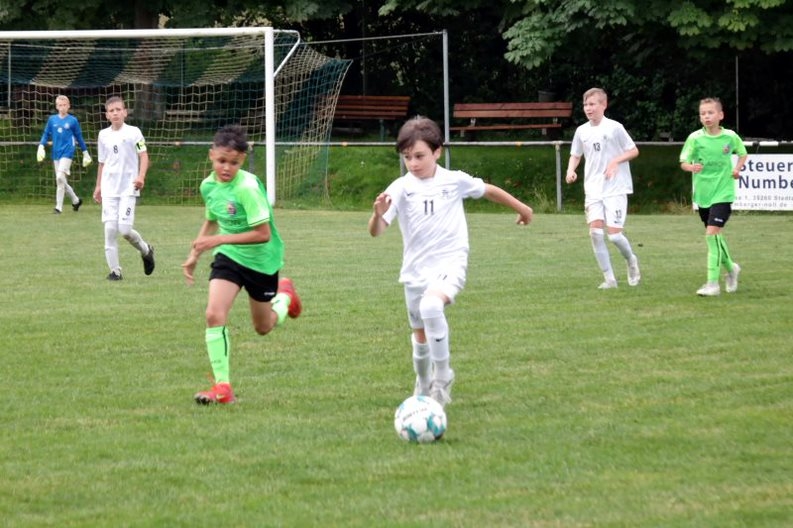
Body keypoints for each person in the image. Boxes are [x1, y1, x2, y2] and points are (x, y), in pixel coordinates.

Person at [368, 116, 533, 408]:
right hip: (415, 271)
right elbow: (377, 231)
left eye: (419, 156)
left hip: (450, 262)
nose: (413, 163)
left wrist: (523, 208)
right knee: (420, 336)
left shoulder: (453, 180)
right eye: (407, 157)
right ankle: (423, 382)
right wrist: (377, 214)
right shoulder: (400, 188)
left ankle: (443, 377)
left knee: (431, 306)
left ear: (437, 151)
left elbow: (488, 190)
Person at [182, 124, 302, 405]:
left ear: (242, 161)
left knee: (263, 327)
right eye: (222, 160)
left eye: (234, 163)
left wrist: (218, 239)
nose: (226, 168)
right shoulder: (208, 186)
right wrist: (195, 253)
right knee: (213, 314)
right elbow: (212, 219)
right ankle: (223, 388)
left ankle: (285, 297)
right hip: (229, 257)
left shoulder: (247, 188)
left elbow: (263, 234)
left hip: (262, 261)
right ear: (211, 155)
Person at [565, 87, 641, 289]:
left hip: (615, 188)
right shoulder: (582, 131)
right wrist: (571, 170)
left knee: (614, 235)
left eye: (592, 104)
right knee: (595, 234)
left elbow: (633, 151)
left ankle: (631, 260)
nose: (588, 108)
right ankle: (609, 279)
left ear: (603, 105)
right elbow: (576, 154)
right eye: (585, 105)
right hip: (593, 189)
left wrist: (616, 161)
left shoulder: (615, 128)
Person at [679, 97, 747, 297]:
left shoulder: (730, 137)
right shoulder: (695, 138)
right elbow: (683, 161)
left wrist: (737, 169)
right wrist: (691, 167)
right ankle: (732, 268)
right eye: (703, 113)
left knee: (711, 235)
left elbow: (742, 154)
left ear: (720, 115)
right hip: (703, 194)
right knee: (715, 237)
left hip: (723, 193)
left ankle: (712, 284)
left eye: (710, 112)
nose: (706, 116)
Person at [92, 96, 155, 281]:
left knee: (125, 231)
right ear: (107, 115)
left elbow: (143, 155)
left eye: (118, 109)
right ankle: (115, 271)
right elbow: (102, 163)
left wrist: (141, 176)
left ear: (125, 112)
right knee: (110, 230)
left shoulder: (134, 132)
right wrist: (98, 186)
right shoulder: (103, 135)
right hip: (109, 189)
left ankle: (146, 250)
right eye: (111, 111)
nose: (115, 113)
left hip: (128, 187)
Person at [37, 95, 92, 214]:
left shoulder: (73, 120)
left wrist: (85, 152)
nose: (62, 107)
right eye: (60, 105)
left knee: (59, 177)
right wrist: (41, 146)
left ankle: (58, 208)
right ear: (57, 106)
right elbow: (46, 134)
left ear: (68, 106)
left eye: (64, 105)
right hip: (56, 153)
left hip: (68, 152)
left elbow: (79, 137)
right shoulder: (52, 120)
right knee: (60, 180)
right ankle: (76, 200)